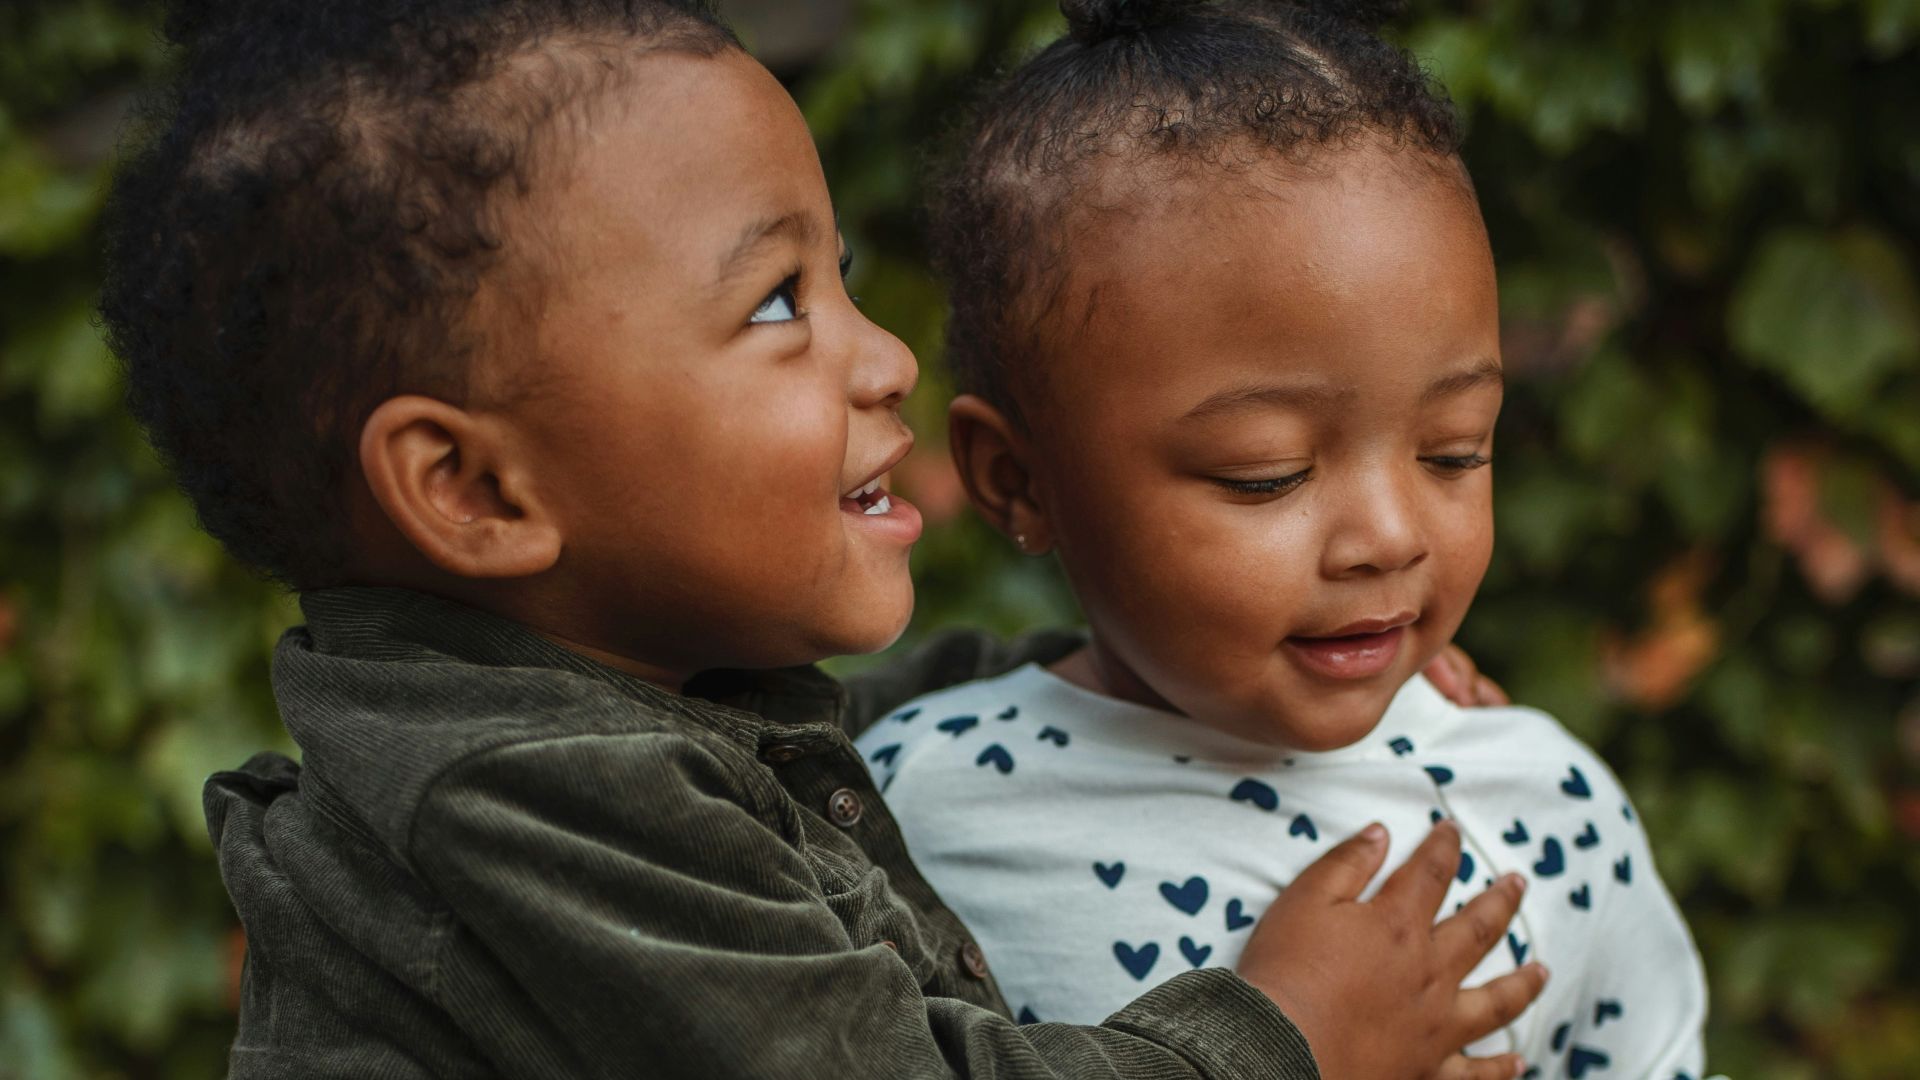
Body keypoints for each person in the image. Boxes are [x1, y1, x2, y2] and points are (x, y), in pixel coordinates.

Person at [99, 0, 1545, 1076]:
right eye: (780, 304)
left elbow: (835, 731)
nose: (887, 360)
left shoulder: (605, 695)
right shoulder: (532, 795)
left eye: (840, 276)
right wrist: (1280, 1028)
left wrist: (1185, 656)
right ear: (476, 490)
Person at [859, 1, 1712, 1077]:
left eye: (1454, 451)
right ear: (1018, 480)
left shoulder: (1541, 807)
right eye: (1267, 474)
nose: (1388, 537)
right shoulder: (904, 814)